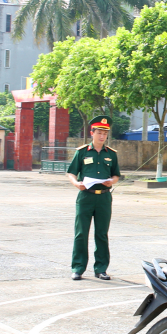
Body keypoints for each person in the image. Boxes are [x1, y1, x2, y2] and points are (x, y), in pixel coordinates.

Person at [66, 115, 122, 280]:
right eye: (99, 133)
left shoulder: (111, 154)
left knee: (102, 234)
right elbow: (71, 172)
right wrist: (76, 183)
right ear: (92, 133)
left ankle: (101, 269)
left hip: (104, 198)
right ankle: (78, 268)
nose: (102, 136)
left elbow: (116, 175)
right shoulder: (82, 152)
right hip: (85, 197)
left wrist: (111, 181)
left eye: (105, 133)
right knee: (81, 233)